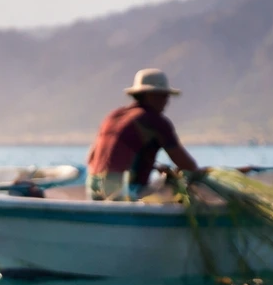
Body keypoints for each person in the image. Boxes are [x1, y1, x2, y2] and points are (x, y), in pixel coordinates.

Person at [86, 69, 203, 201]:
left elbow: (91, 157)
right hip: (121, 191)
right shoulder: (155, 120)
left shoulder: (114, 116)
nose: (167, 101)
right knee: (177, 189)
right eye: (163, 96)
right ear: (150, 95)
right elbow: (187, 165)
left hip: (92, 187)